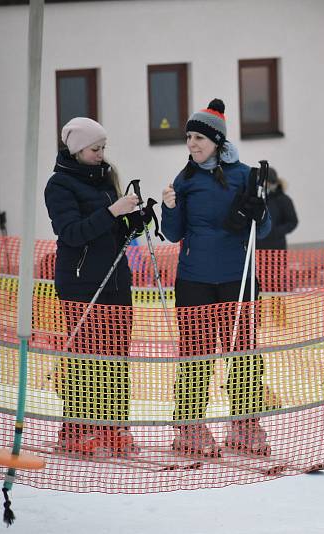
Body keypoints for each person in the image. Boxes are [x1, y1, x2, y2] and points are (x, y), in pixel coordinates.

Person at [161, 99, 272, 458]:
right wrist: (170, 207)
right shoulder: (186, 178)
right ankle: (189, 424)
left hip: (237, 277)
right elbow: (173, 233)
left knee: (242, 355)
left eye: (199, 138)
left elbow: (264, 230)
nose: (192, 144)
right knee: (196, 355)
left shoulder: (243, 175)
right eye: (189, 137)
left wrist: (260, 210)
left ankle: (245, 423)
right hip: (194, 279)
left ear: (218, 141)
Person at [44, 117, 140, 457]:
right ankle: (78, 429)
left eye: (103, 148)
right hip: (81, 284)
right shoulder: (59, 185)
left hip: (115, 280)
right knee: (86, 360)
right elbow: (71, 232)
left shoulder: (104, 179)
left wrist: (132, 221)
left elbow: (111, 231)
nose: (101, 154)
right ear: (76, 149)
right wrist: (113, 211)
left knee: (116, 359)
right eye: (94, 149)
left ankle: (114, 427)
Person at [256, 167, 298, 252]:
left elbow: (292, 221)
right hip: (256, 247)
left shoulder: (283, 200)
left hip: (276, 248)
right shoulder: (255, 199)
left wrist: (275, 232)